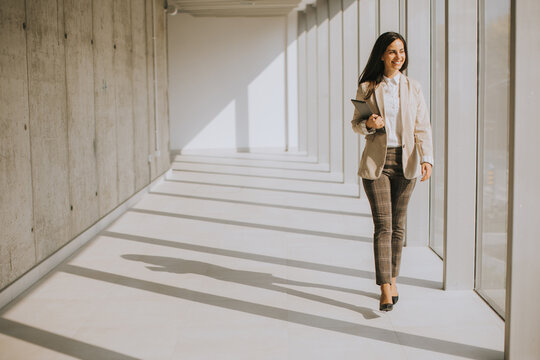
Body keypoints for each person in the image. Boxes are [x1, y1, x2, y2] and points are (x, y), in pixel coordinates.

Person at [351, 32, 433, 312]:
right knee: (383, 226)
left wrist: (428, 158)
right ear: (382, 56)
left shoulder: (414, 87)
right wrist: (371, 123)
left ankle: (393, 278)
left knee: (398, 227)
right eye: (392, 51)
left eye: (401, 51)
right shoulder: (368, 87)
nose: (398, 57)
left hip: (407, 161)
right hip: (377, 164)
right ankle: (385, 287)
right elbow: (357, 125)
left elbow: (423, 126)